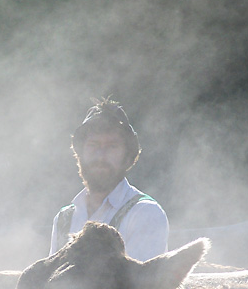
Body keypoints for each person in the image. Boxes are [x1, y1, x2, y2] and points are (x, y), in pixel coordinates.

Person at [49, 98, 169, 262]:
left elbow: (141, 286)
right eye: (93, 145)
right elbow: (52, 283)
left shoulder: (145, 213)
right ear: (80, 154)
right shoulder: (64, 218)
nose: (100, 155)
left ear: (128, 157)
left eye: (112, 146)